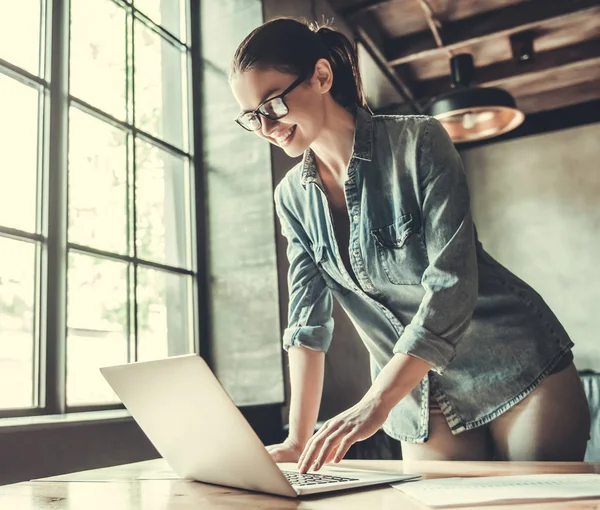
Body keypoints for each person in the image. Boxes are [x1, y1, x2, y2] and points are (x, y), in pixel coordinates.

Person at [228, 18, 591, 472]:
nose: (266, 126)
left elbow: (451, 283)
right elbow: (306, 322)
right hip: (419, 398)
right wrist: (297, 439)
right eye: (251, 116)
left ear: (322, 77)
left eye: (273, 104)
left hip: (514, 365)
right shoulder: (291, 199)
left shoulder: (418, 141)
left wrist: (376, 401)